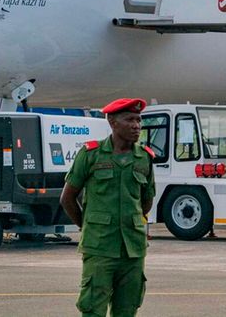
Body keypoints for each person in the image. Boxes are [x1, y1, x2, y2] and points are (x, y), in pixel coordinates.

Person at [61, 98, 156, 316]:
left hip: (133, 250)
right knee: (93, 308)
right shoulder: (91, 155)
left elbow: (146, 200)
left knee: (128, 309)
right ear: (112, 123)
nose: (136, 126)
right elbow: (67, 198)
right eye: (129, 119)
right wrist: (88, 227)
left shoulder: (144, 158)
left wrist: (132, 223)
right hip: (100, 247)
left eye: (139, 120)